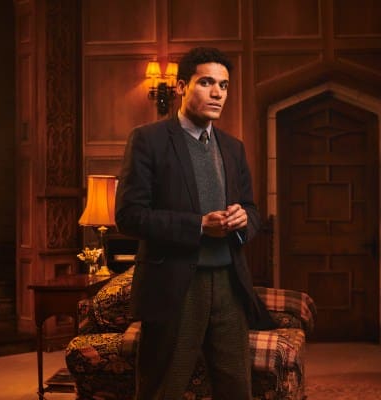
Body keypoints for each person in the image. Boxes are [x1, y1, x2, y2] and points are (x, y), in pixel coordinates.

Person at [115, 47, 262, 400]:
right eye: (206, 82)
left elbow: (253, 211)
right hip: (175, 284)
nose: (217, 93)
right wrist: (197, 226)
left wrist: (243, 220)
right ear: (182, 86)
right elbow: (129, 216)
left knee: (237, 390)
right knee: (162, 389)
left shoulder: (233, 147)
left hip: (229, 283)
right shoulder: (148, 140)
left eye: (223, 86)